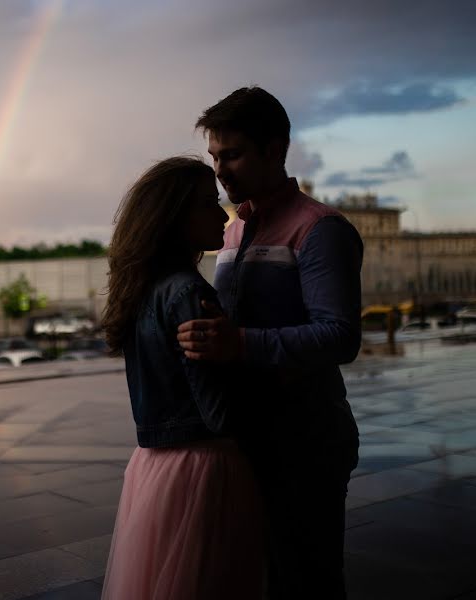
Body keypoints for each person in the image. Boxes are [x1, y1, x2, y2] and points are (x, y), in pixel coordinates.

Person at [177, 87, 364, 599]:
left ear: (276, 149)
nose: (220, 170)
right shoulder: (232, 233)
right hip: (246, 439)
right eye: (215, 156)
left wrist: (239, 345)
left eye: (232, 154)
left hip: (306, 440)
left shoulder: (320, 229)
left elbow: (340, 336)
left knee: (307, 580)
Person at [101, 156, 264, 600]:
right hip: (203, 469)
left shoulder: (142, 289)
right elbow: (219, 412)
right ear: (175, 217)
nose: (221, 214)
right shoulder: (189, 293)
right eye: (208, 204)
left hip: (153, 468)